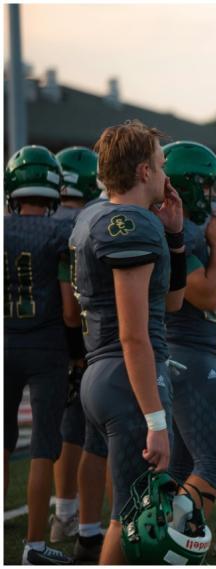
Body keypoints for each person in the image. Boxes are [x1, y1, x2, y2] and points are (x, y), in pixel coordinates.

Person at [70, 120, 186, 561]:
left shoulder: (95, 216)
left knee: (132, 514)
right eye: (159, 165)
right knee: (134, 518)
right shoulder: (129, 223)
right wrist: (155, 421)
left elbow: (171, 304)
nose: (164, 175)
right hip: (128, 377)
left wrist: (174, 239)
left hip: (105, 374)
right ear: (142, 171)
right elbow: (134, 334)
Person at [4, 145, 77, 565]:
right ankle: (34, 545)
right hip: (47, 347)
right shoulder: (59, 235)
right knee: (42, 448)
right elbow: (69, 309)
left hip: (4, 344)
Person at [162, 141, 216, 526]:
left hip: (195, 351)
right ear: (187, 186)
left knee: (181, 465)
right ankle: (176, 542)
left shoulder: (190, 230)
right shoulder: (183, 234)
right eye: (208, 187)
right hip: (185, 352)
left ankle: (161, 550)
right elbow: (208, 296)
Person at [49, 146, 110, 562]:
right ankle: (81, 521)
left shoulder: (46, 221)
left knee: (61, 432)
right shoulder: (90, 223)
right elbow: (72, 306)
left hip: (42, 338)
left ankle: (63, 511)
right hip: (87, 341)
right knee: (87, 435)